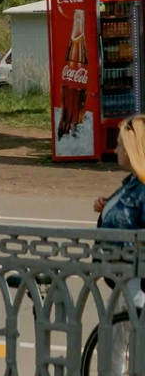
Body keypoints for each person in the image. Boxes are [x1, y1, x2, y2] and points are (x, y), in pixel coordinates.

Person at [94, 116, 145, 374]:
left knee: (136, 348)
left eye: (120, 146)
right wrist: (104, 206)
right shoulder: (133, 184)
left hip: (137, 282)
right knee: (115, 346)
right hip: (121, 279)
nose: (115, 150)